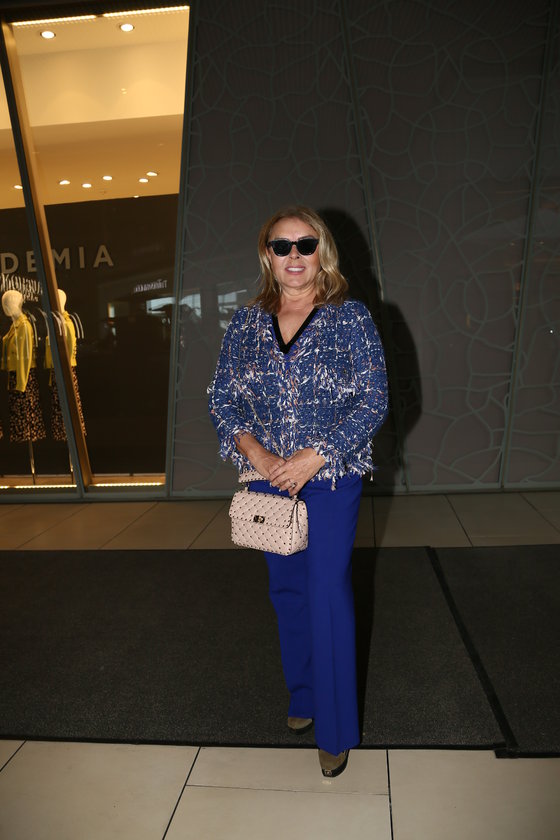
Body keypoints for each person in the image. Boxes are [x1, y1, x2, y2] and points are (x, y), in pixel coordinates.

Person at [208, 205, 388, 778]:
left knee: (328, 590)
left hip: (330, 475)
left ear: (322, 252)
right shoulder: (246, 323)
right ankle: (304, 695)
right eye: (281, 245)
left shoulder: (349, 318)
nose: (294, 255)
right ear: (267, 254)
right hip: (267, 480)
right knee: (287, 590)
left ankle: (334, 731)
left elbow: (375, 400)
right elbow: (221, 399)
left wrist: (314, 456)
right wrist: (259, 456)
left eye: (305, 245)